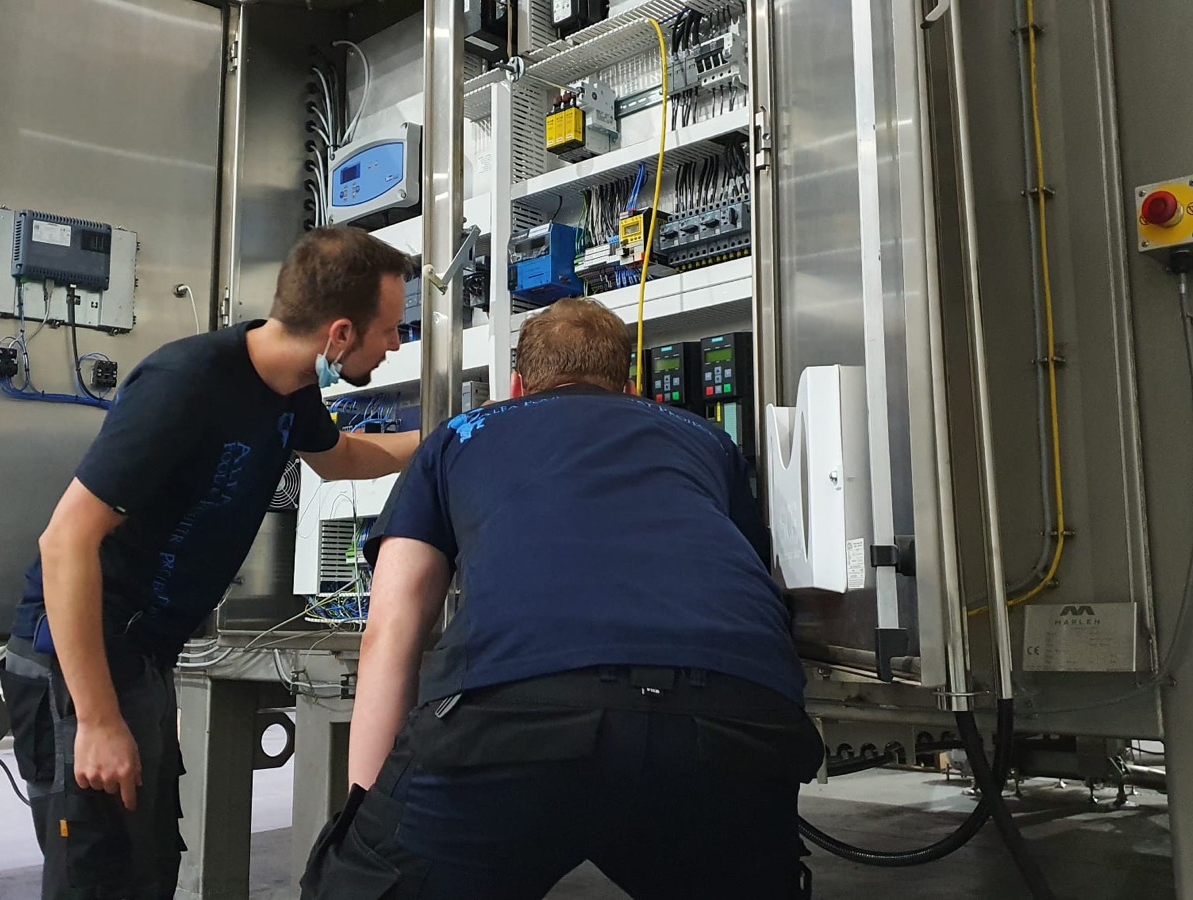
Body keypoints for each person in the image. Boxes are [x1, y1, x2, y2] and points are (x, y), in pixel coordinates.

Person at [301, 298, 824, 900]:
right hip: (739, 715)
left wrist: (367, 828)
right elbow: (757, 574)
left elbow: (390, 631)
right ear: (628, 383)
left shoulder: (461, 436)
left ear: (519, 385)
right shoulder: (703, 438)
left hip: (516, 713)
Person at [0, 226, 419, 900]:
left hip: (142, 657)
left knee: (151, 864)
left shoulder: (290, 388)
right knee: (98, 877)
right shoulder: (186, 381)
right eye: (391, 329)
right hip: (78, 661)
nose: (397, 343)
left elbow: (339, 459)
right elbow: (65, 541)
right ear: (340, 334)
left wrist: (442, 439)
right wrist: (99, 721)